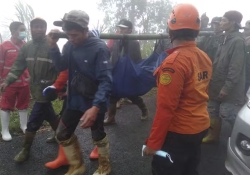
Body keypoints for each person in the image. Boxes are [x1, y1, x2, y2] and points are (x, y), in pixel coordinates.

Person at [143, 4, 212, 175]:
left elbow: (166, 108)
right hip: (200, 125)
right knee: (189, 168)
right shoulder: (204, 57)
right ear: (196, 31)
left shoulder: (173, 64)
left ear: (170, 31)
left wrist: (154, 143)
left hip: (179, 133)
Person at [46, 10, 112, 175]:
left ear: (85, 30)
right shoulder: (69, 45)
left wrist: (96, 108)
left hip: (94, 100)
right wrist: (53, 46)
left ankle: (105, 166)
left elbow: (106, 81)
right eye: (68, 35)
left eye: (75, 35)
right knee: (61, 133)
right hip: (74, 99)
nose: (71, 39)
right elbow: (61, 66)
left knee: (97, 135)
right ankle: (77, 165)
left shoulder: (99, 48)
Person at [0, 17, 68, 162]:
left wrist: (62, 88)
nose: (38, 29)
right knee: (49, 114)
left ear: (45, 28)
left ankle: (26, 149)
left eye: (41, 26)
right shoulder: (26, 47)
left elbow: (60, 68)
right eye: (35, 26)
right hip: (36, 89)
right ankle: (61, 136)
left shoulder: (51, 46)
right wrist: (7, 81)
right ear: (31, 29)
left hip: (48, 89)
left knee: (34, 120)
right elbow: (18, 66)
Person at [203, 10, 246, 143]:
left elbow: (236, 67)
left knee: (229, 114)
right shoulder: (225, 38)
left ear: (232, 23)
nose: (220, 23)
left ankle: (243, 140)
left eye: (223, 20)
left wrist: (227, 87)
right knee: (213, 109)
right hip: (216, 82)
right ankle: (213, 136)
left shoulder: (237, 41)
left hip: (228, 86)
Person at [104, 19, 149, 125]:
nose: (120, 30)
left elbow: (138, 59)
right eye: (120, 28)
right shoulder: (116, 40)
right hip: (116, 72)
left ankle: (144, 110)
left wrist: (135, 73)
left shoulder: (134, 43)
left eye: (123, 28)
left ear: (129, 30)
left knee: (132, 95)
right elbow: (111, 54)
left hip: (128, 72)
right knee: (113, 95)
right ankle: (111, 117)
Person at [0, 21, 30, 141]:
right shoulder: (3, 46)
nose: (24, 32)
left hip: (24, 82)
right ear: (14, 32)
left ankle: (24, 126)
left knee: (24, 104)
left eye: (24, 30)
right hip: (8, 83)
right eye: (22, 30)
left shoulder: (25, 45)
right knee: (6, 105)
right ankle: (4, 130)